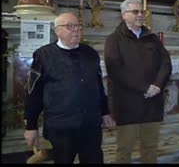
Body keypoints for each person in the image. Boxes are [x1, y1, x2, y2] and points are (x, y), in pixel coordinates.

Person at [24, 12, 115, 164]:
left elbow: (98, 86)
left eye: (78, 26)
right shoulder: (43, 55)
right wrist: (31, 126)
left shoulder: (90, 53)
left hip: (90, 125)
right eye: (69, 26)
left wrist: (105, 112)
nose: (76, 30)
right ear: (57, 31)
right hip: (61, 127)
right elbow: (34, 92)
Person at [104, 0, 172, 163]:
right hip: (128, 105)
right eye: (135, 12)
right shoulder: (114, 40)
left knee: (150, 150)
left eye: (142, 11)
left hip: (152, 105)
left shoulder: (152, 38)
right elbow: (116, 71)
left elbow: (166, 63)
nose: (140, 15)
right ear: (124, 14)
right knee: (124, 151)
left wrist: (157, 85)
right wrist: (144, 88)